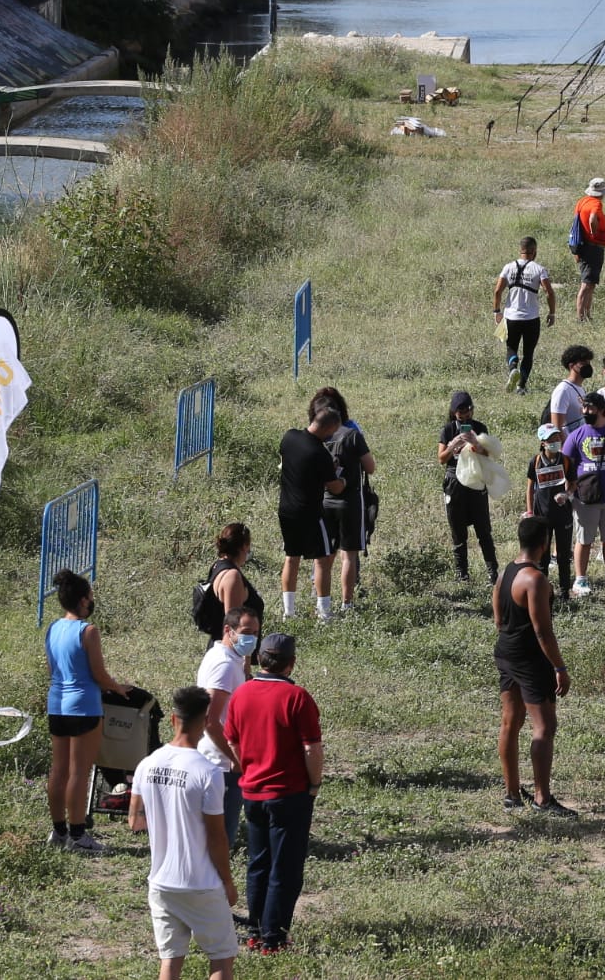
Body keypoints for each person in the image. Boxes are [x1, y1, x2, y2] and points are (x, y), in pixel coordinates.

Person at [224, 633, 323, 954]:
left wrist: (249, 770)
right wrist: (314, 784)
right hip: (289, 794)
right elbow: (311, 748)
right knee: (286, 869)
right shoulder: (298, 698)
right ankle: (274, 939)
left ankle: (255, 930)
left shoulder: (241, 694)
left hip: (253, 793)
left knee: (258, 863)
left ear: (259, 660)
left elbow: (232, 743)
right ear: (291, 663)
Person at [130, 687, 238, 980]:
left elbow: (135, 822)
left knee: (171, 960)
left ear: (173, 719)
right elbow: (217, 836)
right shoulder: (209, 773)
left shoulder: (146, 764)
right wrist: (227, 882)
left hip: (162, 883)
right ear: (205, 721)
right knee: (221, 958)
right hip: (201, 882)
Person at [45, 569, 130, 852]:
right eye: (91, 598)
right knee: (79, 773)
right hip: (84, 707)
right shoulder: (88, 631)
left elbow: (52, 670)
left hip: (56, 704)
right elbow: (99, 674)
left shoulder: (53, 629)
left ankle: (58, 831)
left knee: (58, 771)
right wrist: (119, 688)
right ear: (83, 601)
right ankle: (78, 835)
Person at [495, 513, 574, 815]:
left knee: (510, 722)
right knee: (545, 726)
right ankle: (543, 799)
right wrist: (560, 668)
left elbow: (498, 618)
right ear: (545, 543)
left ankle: (512, 795)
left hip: (505, 652)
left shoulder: (507, 572)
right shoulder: (536, 580)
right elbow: (542, 630)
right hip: (530, 659)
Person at [196, 606, 261, 851]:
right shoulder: (224, 665)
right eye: (246, 631)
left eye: (255, 633)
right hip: (222, 763)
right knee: (221, 839)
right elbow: (211, 720)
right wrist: (236, 757)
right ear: (228, 630)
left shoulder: (227, 658)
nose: (251, 638)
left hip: (222, 760)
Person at [276, 405, 344, 621]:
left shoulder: (289, 437)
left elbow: (292, 461)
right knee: (323, 559)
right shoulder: (320, 453)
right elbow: (334, 487)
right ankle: (324, 614)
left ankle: (289, 612)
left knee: (291, 558)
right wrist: (342, 479)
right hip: (311, 513)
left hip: (286, 510)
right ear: (330, 427)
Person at [311, 387, 375, 614]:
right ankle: (347, 604)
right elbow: (371, 467)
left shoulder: (316, 438)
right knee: (348, 555)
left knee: (323, 557)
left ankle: (322, 607)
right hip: (350, 502)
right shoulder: (352, 434)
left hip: (324, 501)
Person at [563, 391, 605, 597]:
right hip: (585, 498)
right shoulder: (576, 436)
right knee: (584, 540)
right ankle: (580, 579)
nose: (586, 411)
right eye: (584, 407)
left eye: (590, 408)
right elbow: (565, 465)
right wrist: (568, 491)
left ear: (602, 410)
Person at [438, 391, 499, 585]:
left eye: (467, 411)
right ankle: (462, 574)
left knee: (483, 529)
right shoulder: (448, 430)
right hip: (454, 482)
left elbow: (489, 454)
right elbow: (441, 459)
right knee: (458, 530)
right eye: (460, 413)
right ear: (454, 412)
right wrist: (452, 446)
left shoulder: (480, 428)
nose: (464, 416)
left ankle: (492, 572)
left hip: (475, 480)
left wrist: (476, 444)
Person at [494, 236, 556, 394]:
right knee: (528, 353)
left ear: (520, 250)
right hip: (531, 318)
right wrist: (552, 312)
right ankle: (521, 386)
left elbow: (497, 291)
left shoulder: (508, 267)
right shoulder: (539, 269)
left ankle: (513, 367)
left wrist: (497, 311)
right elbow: (549, 292)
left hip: (511, 317)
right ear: (534, 251)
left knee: (511, 347)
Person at [524, 425, 576, 593]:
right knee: (543, 557)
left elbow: (573, 483)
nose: (555, 442)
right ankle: (543, 591)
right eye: (551, 440)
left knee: (563, 556)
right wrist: (530, 512)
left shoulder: (566, 460)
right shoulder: (536, 461)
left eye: (557, 438)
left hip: (563, 516)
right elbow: (530, 488)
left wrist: (566, 494)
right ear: (543, 443)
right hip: (542, 516)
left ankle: (565, 591)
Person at [196, 523, 263, 642]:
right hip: (232, 653)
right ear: (244, 547)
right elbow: (235, 627)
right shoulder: (232, 578)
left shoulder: (218, 565)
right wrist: (245, 659)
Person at [568, 178, 605, 321]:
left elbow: (582, 218)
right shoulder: (596, 203)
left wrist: (604, 219)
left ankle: (587, 315)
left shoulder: (582, 201)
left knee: (591, 283)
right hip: (592, 247)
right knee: (586, 284)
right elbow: (592, 219)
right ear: (602, 193)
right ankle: (581, 317)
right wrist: (593, 233)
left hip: (583, 246)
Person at [548, 344, 594, 436]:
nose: (588, 366)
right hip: (569, 446)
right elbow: (557, 427)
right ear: (571, 366)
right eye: (583, 363)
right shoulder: (563, 390)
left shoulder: (579, 389)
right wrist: (566, 449)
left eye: (588, 362)